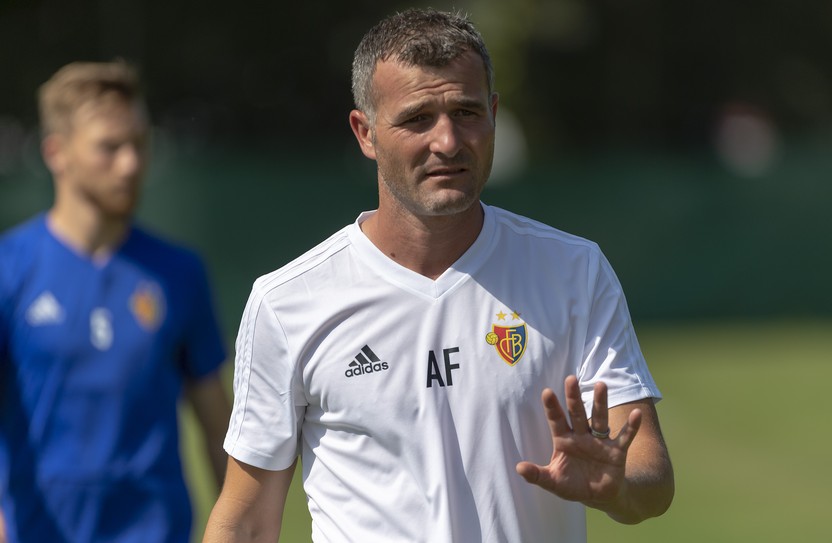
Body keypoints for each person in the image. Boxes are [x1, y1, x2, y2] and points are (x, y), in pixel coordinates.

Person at [204, 8, 674, 542]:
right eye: (417, 118)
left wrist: (618, 489)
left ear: (494, 114)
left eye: (467, 112)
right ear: (366, 132)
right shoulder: (288, 302)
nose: (448, 141)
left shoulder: (572, 271)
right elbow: (245, 522)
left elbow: (650, 478)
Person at [0, 60, 232, 543]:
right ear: (56, 153)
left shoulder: (179, 273)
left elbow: (219, 430)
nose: (130, 164)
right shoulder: (9, 269)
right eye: (109, 148)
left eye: (139, 145)